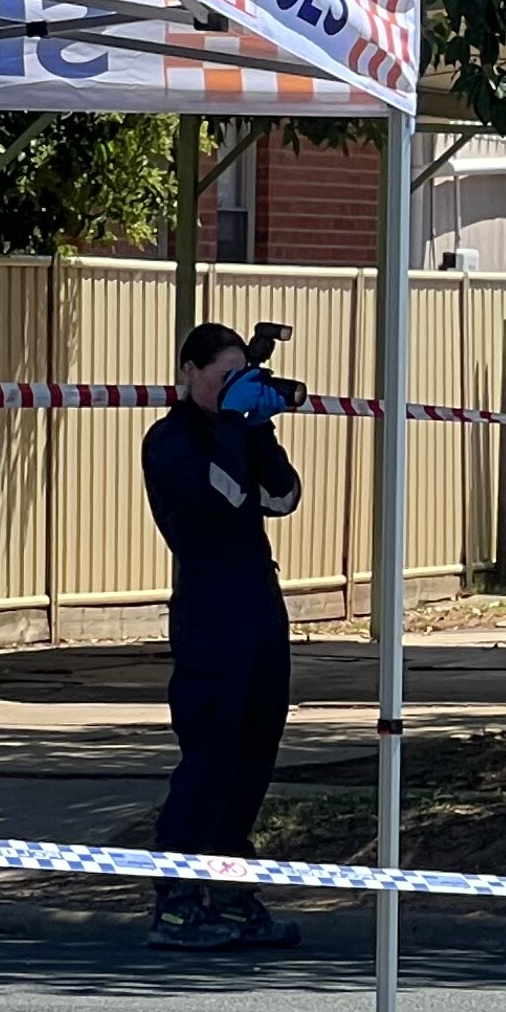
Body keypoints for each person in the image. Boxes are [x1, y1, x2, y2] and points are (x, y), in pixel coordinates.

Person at [141, 321, 304, 952]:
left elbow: (282, 497)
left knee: (255, 750)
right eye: (221, 377)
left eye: (240, 376)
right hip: (209, 606)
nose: (230, 389)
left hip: (258, 600)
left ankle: (232, 887)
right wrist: (235, 425)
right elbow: (228, 496)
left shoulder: (238, 429)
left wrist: (258, 424)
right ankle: (178, 900)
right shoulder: (171, 441)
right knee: (209, 753)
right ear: (189, 372)